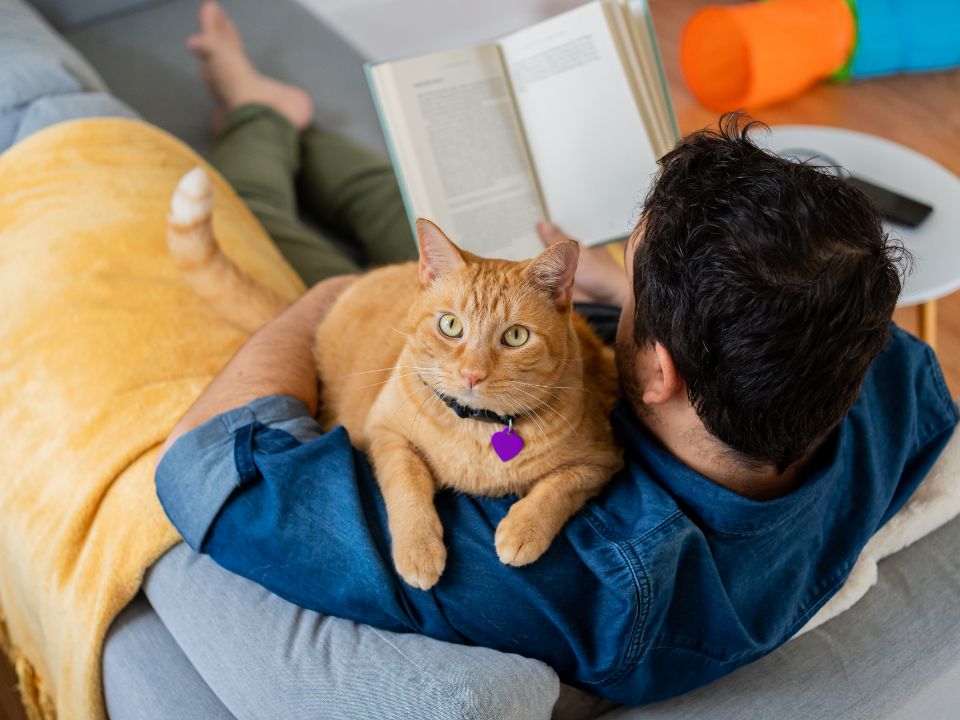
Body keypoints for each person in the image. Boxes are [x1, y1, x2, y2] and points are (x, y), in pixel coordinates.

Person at [144, 0, 960, 711]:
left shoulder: (587, 572)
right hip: (507, 319)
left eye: (635, 287)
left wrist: (325, 301)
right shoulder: (893, 377)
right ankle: (300, 122)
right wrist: (621, 286)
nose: (624, 288)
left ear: (660, 373)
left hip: (388, 333)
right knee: (397, 200)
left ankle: (260, 116)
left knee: (276, 239)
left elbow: (199, 468)